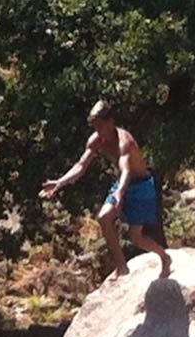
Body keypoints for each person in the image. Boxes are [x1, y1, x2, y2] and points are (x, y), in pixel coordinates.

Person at [42, 100, 171, 279]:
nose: (98, 130)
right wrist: (60, 182)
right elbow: (81, 165)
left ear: (110, 122)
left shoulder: (125, 141)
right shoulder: (96, 140)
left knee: (136, 238)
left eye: (100, 125)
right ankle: (121, 266)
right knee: (103, 217)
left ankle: (164, 257)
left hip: (141, 186)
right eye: (95, 126)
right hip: (122, 184)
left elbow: (126, 169)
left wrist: (120, 192)